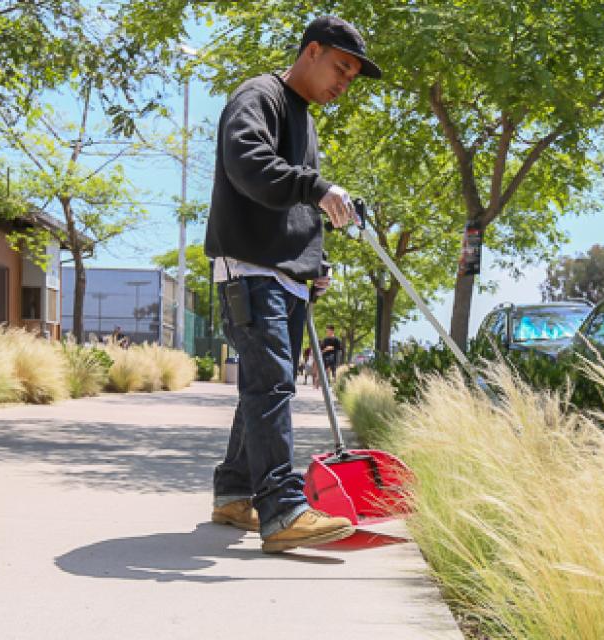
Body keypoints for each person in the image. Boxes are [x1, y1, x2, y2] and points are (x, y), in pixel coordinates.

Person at [204, 15, 382, 553]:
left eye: (352, 77)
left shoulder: (304, 118)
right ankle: (282, 509)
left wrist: (313, 264)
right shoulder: (258, 97)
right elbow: (249, 165)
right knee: (273, 383)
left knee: (264, 383)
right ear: (312, 51)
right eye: (341, 68)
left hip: (285, 278)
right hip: (250, 273)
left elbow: (295, 209)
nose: (344, 83)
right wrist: (317, 186)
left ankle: (235, 493)